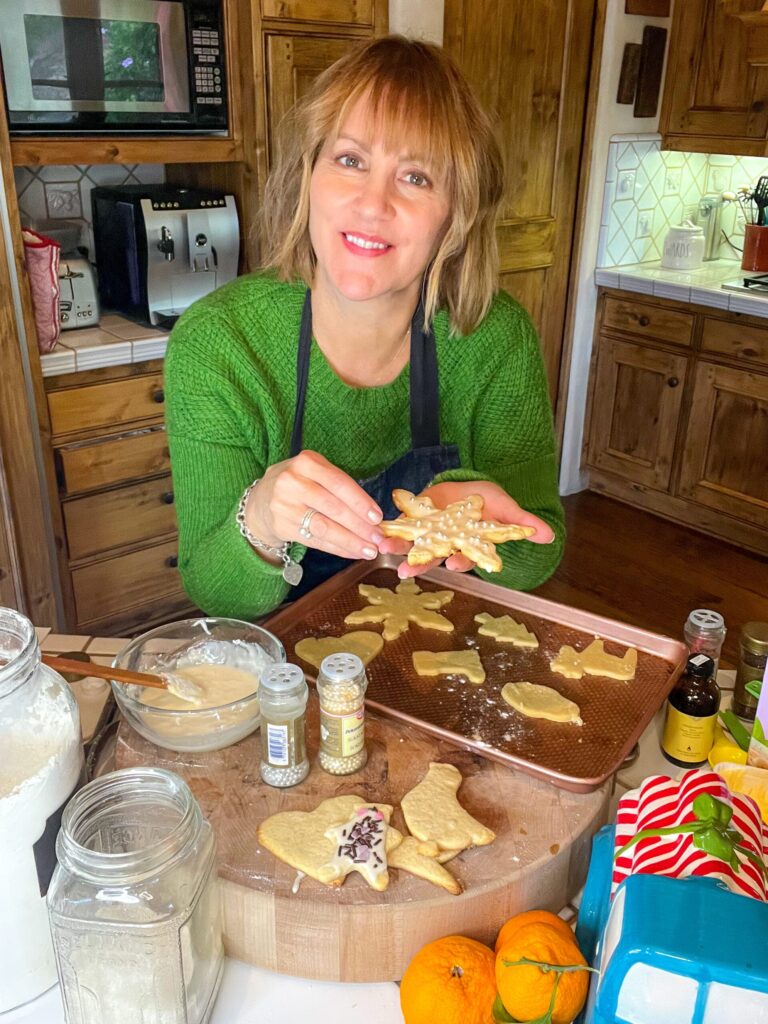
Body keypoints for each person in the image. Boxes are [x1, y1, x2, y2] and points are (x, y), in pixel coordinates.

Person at [165, 35, 565, 621]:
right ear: (308, 174)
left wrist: (479, 513)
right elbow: (214, 592)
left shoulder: (494, 337)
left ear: (457, 213)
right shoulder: (220, 342)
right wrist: (262, 520)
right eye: (350, 160)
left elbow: (539, 551)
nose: (373, 204)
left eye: (417, 177)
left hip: (436, 642)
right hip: (286, 654)